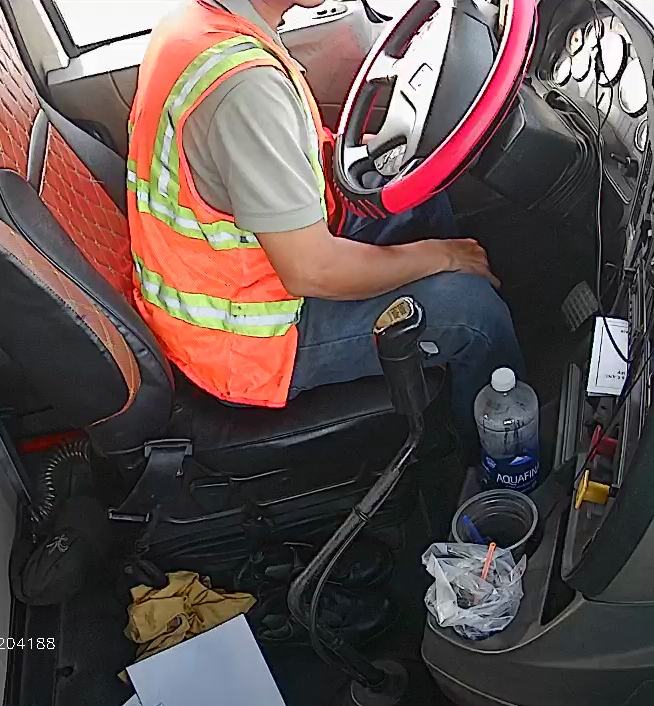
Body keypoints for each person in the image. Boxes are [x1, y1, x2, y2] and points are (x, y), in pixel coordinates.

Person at [126, 0, 523, 449]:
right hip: (247, 340)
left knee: (420, 195)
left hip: (242, 276)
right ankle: (497, 463)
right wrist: (443, 257)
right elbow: (313, 270)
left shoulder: (196, 28)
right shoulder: (244, 88)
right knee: (476, 313)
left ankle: (450, 370)